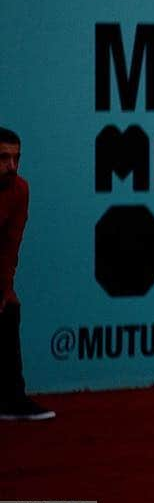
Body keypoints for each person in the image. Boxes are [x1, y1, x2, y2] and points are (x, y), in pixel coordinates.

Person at [0, 127, 55, 422]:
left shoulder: (20, 190)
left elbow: (10, 244)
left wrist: (5, 288)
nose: (11, 166)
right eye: (3, 158)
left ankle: (11, 399)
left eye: (16, 158)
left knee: (10, 307)